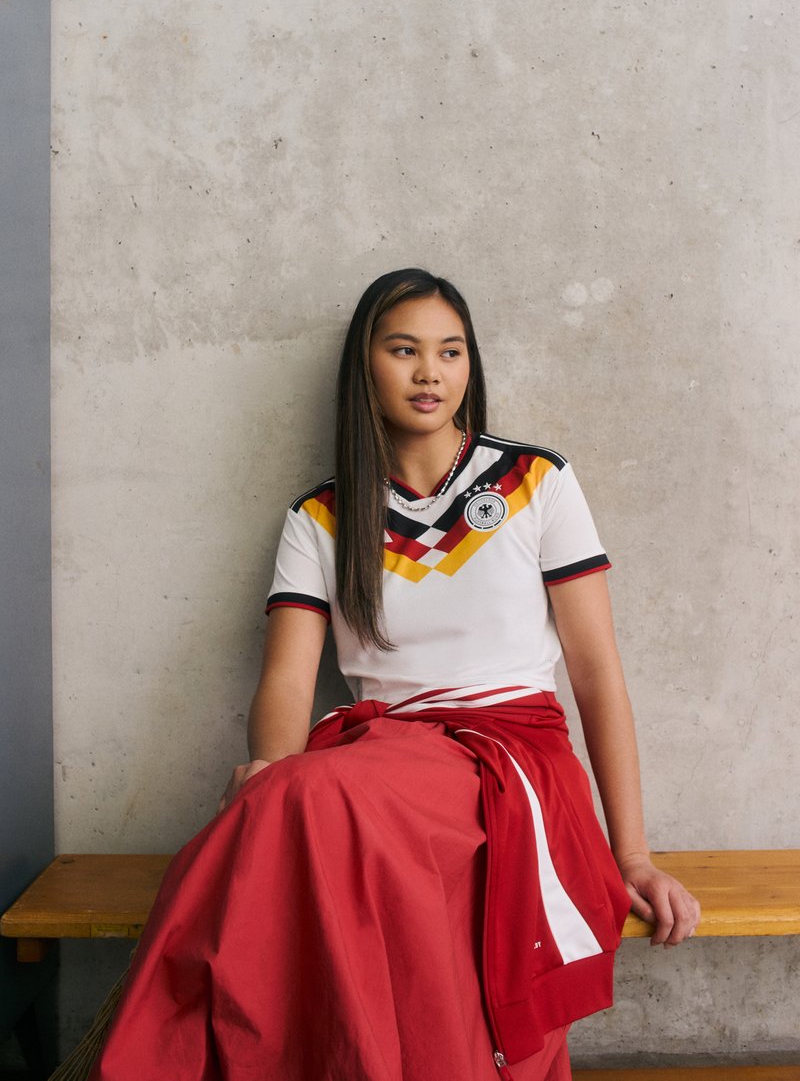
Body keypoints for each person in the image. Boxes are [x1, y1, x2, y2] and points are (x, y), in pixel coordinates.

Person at [90, 268, 700, 1081]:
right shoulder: (321, 517)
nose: (430, 372)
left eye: (450, 352)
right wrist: (272, 764)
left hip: (514, 756)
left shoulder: (534, 482)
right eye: (404, 349)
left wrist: (632, 854)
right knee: (283, 799)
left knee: (293, 799)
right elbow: (287, 679)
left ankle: (146, 1058)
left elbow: (597, 674)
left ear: (470, 366)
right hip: (384, 756)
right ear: (365, 366)